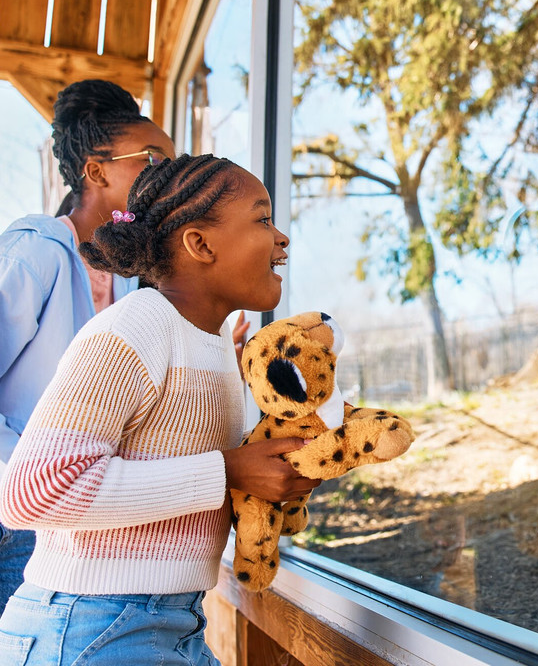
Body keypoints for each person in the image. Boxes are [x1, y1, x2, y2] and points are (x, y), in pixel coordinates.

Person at [0, 153, 319, 665]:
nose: (281, 238)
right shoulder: (137, 327)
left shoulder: (212, 345)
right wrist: (227, 471)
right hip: (89, 627)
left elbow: (174, 484)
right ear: (199, 244)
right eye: (262, 219)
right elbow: (32, 493)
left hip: (172, 620)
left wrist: (270, 478)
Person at [0, 79, 177, 610]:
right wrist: (22, 477)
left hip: (80, 525)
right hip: (17, 524)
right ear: (96, 172)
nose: (165, 174)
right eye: (152, 159)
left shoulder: (125, 280)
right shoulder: (35, 257)